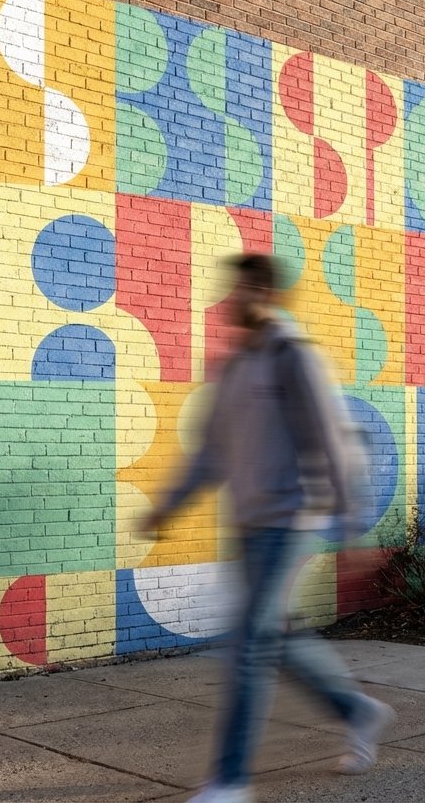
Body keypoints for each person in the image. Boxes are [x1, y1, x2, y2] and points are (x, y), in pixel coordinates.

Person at [141, 254, 393, 803]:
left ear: (272, 296)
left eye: (252, 287)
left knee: (249, 643)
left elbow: (331, 440)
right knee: (275, 640)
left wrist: (352, 527)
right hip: (248, 524)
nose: (239, 297)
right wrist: (169, 506)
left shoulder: (293, 356)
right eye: (236, 286)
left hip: (289, 520)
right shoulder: (233, 367)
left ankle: (230, 780)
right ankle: (358, 710)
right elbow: (210, 454)